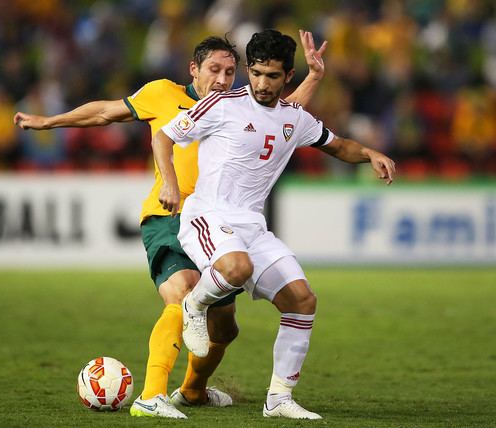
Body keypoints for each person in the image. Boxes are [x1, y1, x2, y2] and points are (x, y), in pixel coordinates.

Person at [14, 30, 328, 419]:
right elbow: (104, 112)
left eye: (230, 72)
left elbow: (284, 115)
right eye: (214, 69)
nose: (222, 79)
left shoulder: (239, 106)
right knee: (182, 297)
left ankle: (192, 391)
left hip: (220, 224)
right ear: (193, 69)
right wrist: (48, 122)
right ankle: (151, 395)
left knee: (225, 328)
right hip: (170, 215)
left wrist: (314, 77)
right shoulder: (164, 94)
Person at [152, 29, 395, 420]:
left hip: (251, 225)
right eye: (257, 73)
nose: (262, 84)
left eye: (272, 76)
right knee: (236, 268)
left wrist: (370, 153)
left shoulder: (294, 118)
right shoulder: (221, 104)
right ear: (250, 69)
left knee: (302, 299)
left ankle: (279, 398)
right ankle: (194, 305)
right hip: (207, 214)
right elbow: (164, 137)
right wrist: (169, 182)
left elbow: (337, 145)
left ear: (288, 77)